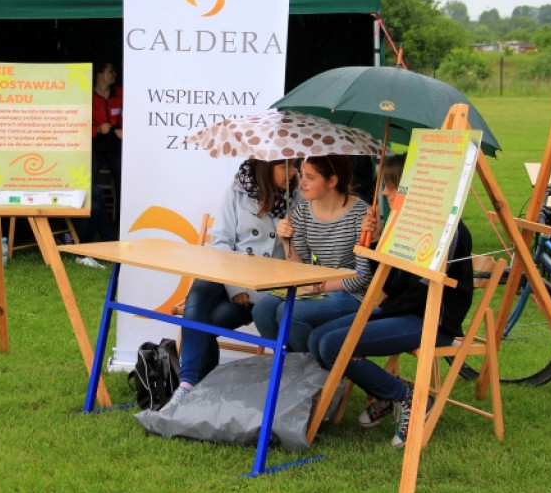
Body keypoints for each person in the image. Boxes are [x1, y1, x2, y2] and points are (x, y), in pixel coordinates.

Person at [306, 154, 475, 449]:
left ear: (413, 189)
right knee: (317, 338)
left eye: (390, 185)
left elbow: (421, 293)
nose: (384, 192)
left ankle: (407, 398)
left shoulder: (446, 229)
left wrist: (381, 311)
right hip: (400, 311)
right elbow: (389, 283)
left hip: (430, 320)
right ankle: (389, 394)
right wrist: (376, 240)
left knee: (333, 345)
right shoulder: (406, 223)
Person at [162, 158, 298, 410]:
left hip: (263, 289)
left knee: (205, 325)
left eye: (295, 166)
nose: (293, 173)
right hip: (228, 275)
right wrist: (235, 287)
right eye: (286, 167)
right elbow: (221, 240)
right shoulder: (238, 190)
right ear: (267, 167)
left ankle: (197, 388)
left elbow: (297, 258)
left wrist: (289, 236)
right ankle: (187, 384)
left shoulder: (298, 199)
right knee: (199, 292)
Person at [251, 154, 373, 352]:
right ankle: (290, 368)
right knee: (263, 308)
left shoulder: (361, 215)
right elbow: (301, 269)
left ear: (332, 181)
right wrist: (287, 242)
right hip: (315, 288)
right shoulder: (301, 212)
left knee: (289, 313)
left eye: (310, 177)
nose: (301, 183)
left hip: (351, 294)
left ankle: (315, 373)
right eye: (301, 175)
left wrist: (320, 286)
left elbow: (362, 276)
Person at [91, 60, 122, 220]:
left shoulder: (120, 93)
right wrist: (96, 129)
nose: (115, 75)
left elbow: (130, 113)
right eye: (111, 71)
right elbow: (77, 124)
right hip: (94, 144)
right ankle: (87, 218)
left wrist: (123, 129)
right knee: (87, 182)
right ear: (100, 74)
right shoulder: (88, 96)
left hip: (115, 144)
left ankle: (120, 222)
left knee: (123, 182)